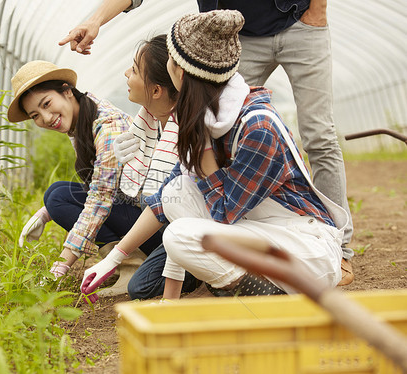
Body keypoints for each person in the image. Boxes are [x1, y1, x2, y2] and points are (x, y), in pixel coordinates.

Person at [59, 0, 354, 285]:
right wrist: (113, 259)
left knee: (179, 234)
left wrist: (202, 155)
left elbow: (223, 214)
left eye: (171, 59)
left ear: (181, 74)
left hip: (307, 250)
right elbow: (167, 198)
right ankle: (251, 284)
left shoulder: (257, 128)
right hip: (266, 236)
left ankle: (267, 287)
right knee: (177, 194)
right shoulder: (201, 119)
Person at [7, 60, 162, 282]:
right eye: (35, 115)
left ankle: (131, 266)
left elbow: (100, 199)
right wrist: (46, 212)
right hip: (134, 212)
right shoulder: (83, 119)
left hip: (154, 226)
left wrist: (61, 265)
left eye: (47, 104)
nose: (46, 118)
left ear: (67, 91)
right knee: (56, 193)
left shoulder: (108, 126)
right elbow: (101, 185)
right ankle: (120, 264)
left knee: (58, 197)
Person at [115, 34, 200, 299]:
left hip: (193, 227)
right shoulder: (149, 123)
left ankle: (202, 273)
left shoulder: (190, 131)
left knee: (139, 288)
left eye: (135, 70)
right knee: (63, 195)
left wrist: (117, 256)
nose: (126, 73)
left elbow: (174, 205)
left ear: (156, 91)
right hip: (166, 221)